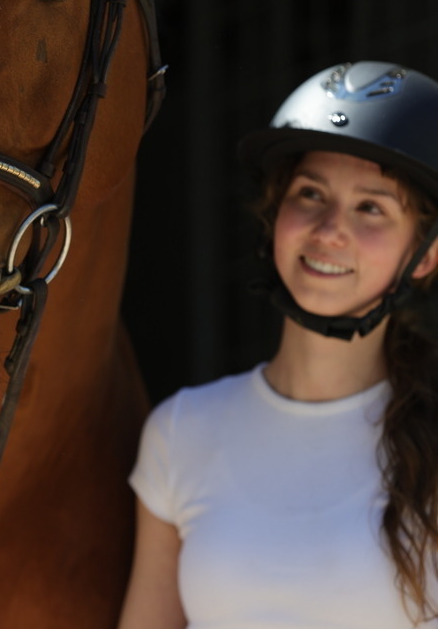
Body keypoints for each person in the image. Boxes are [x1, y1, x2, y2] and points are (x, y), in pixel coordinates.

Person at [117, 60, 438, 629]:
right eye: (310, 193)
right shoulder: (182, 430)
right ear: (274, 217)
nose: (330, 228)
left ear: (426, 256)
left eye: (371, 207)